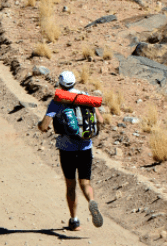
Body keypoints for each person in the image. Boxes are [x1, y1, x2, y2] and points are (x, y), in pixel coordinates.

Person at [38, 71, 105, 231]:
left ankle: (74, 221)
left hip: (66, 149)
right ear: (74, 83)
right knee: (85, 183)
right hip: (85, 147)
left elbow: (45, 125)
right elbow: (101, 120)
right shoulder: (85, 97)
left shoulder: (57, 101)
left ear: (61, 84)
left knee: (71, 185)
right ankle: (91, 201)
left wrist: (41, 126)